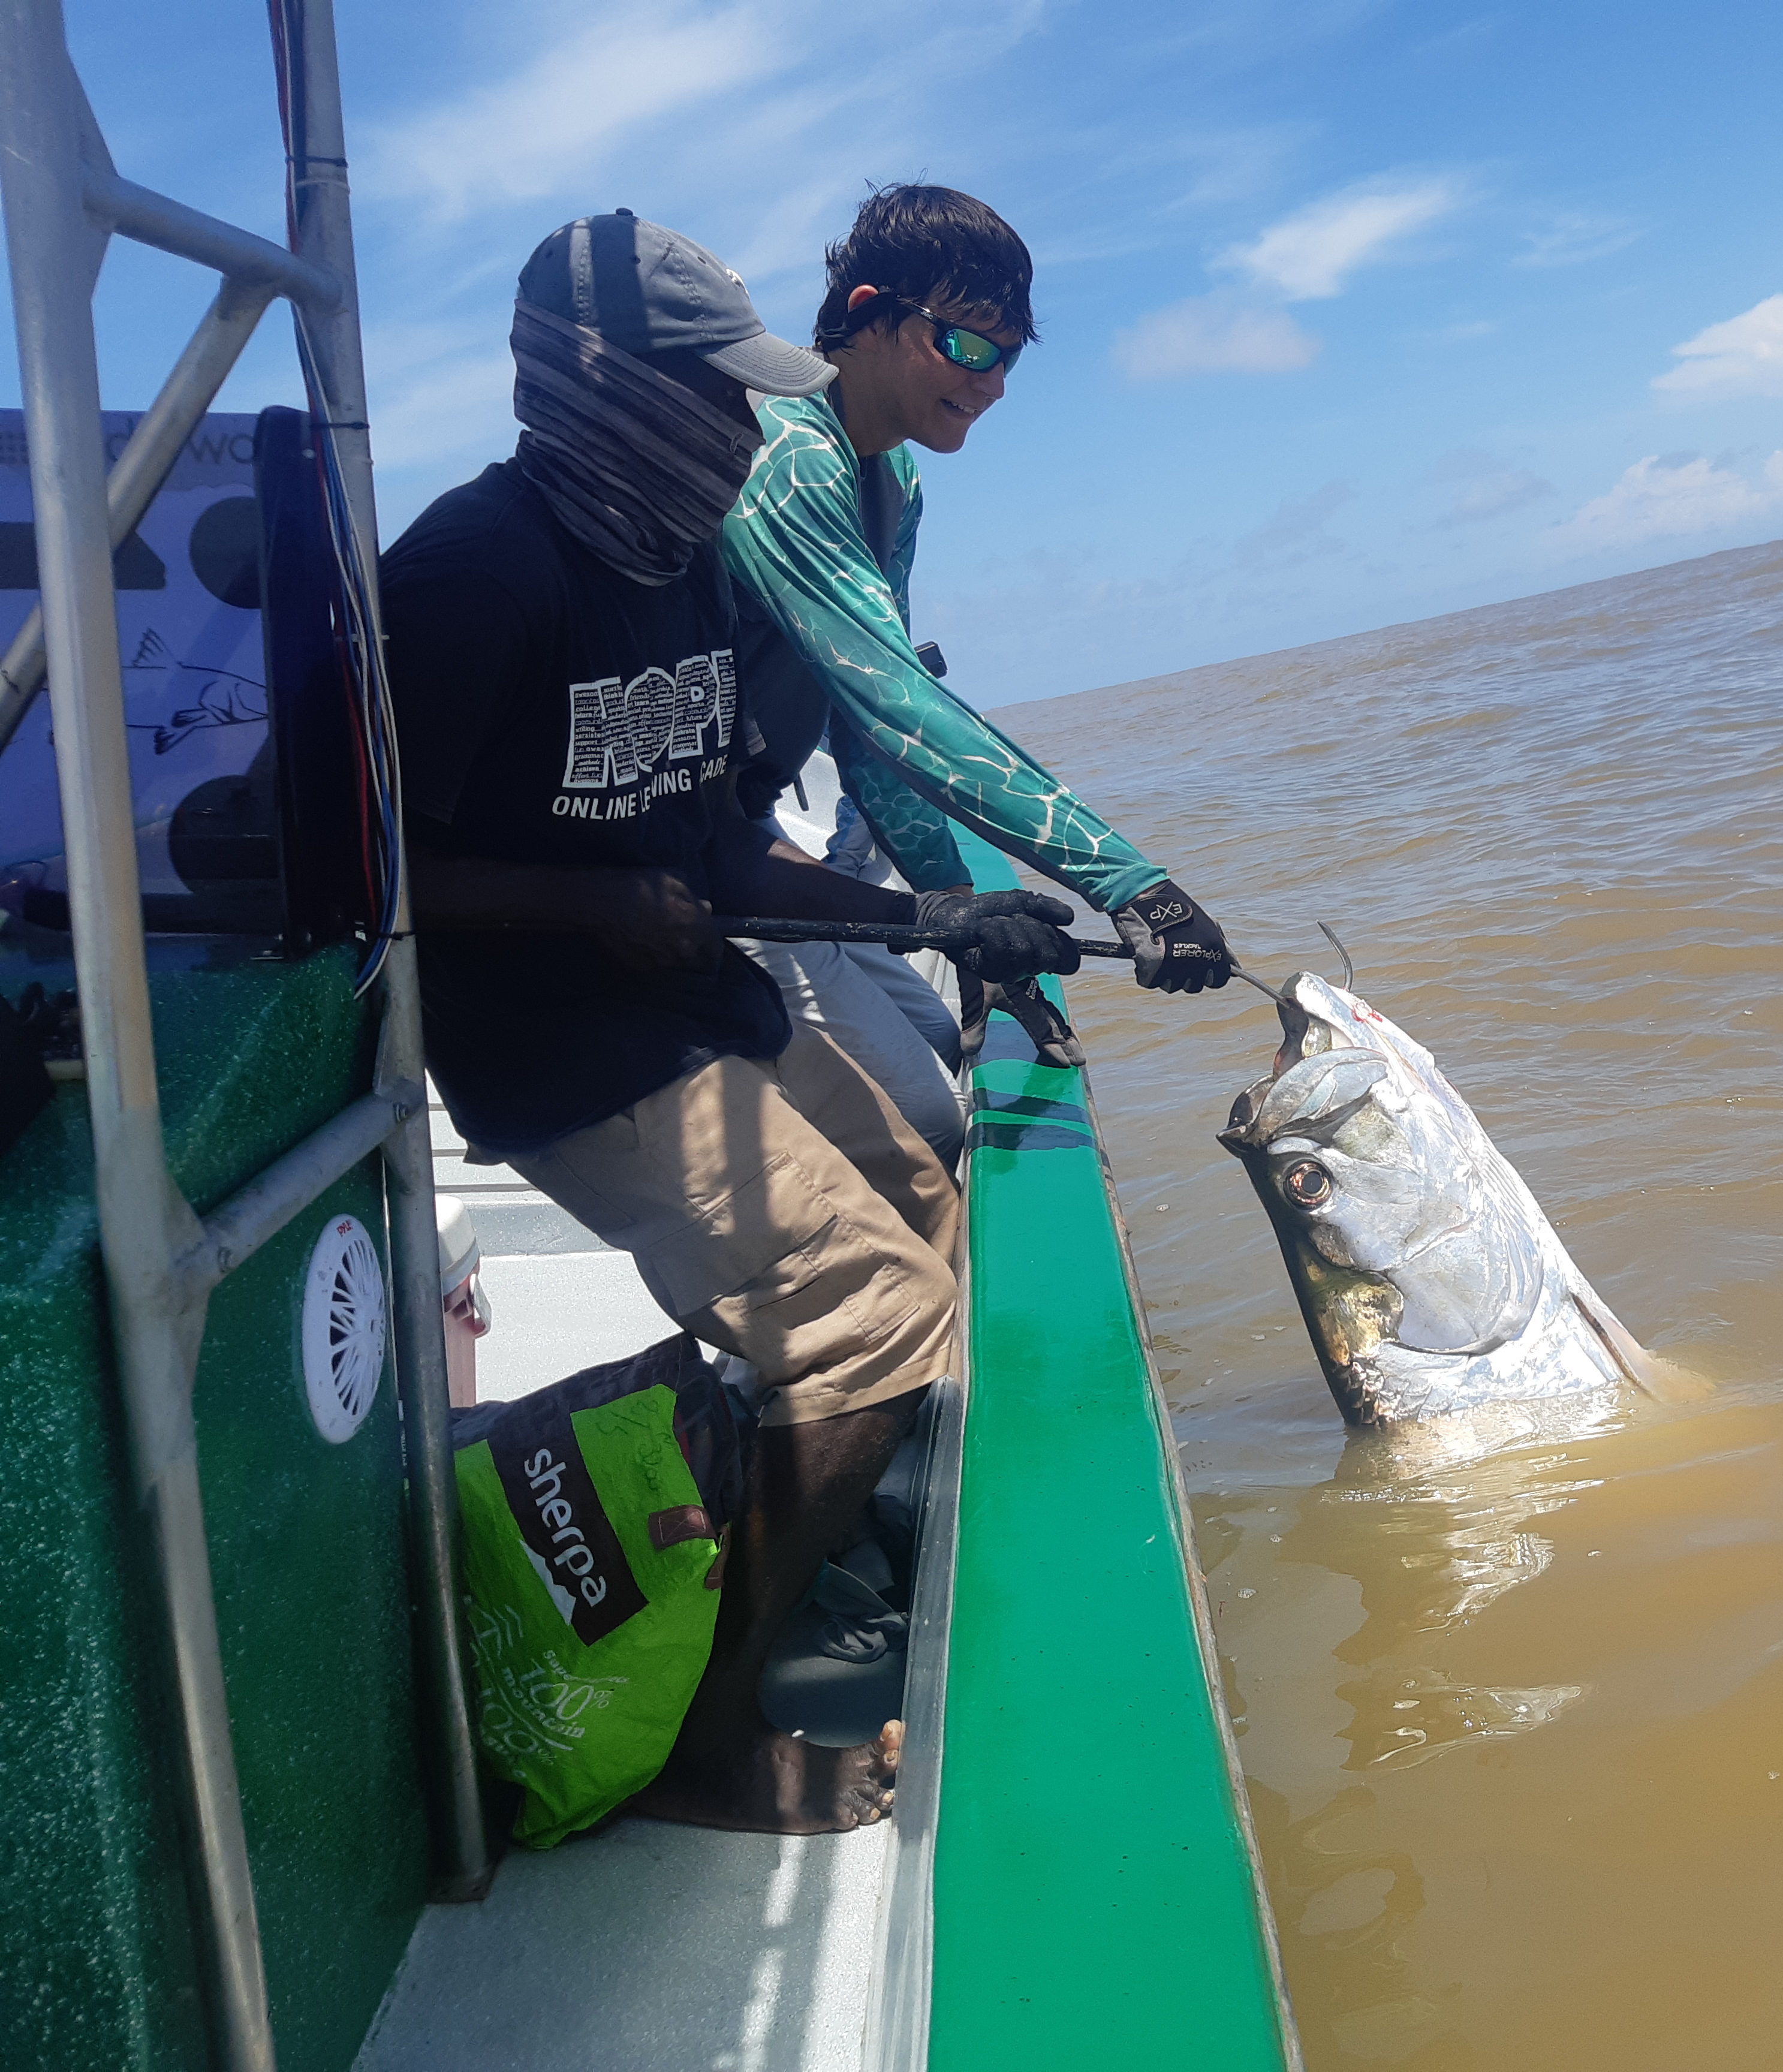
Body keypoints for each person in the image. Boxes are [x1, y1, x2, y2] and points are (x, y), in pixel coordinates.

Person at [378, 210, 1081, 1833]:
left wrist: (937, 915)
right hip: (558, 1045)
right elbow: (363, 876)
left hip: (698, 991)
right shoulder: (473, 578)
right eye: (708, 396)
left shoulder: (686, 564)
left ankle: (822, 1533)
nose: (733, 433)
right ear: (604, 386)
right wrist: (587, 907)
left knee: (926, 1186)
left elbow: (716, 844)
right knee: (875, 1319)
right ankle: (709, 1736)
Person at [716, 183, 1235, 1112]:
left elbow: (871, 732)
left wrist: (973, 925)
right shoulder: (788, 453)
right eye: (965, 344)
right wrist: (1132, 884)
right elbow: (898, 703)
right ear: (868, 316)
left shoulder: (893, 477)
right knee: (923, 1116)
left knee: (927, 1045)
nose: (991, 383)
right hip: (678, 859)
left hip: (747, 837)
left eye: (1007, 359)